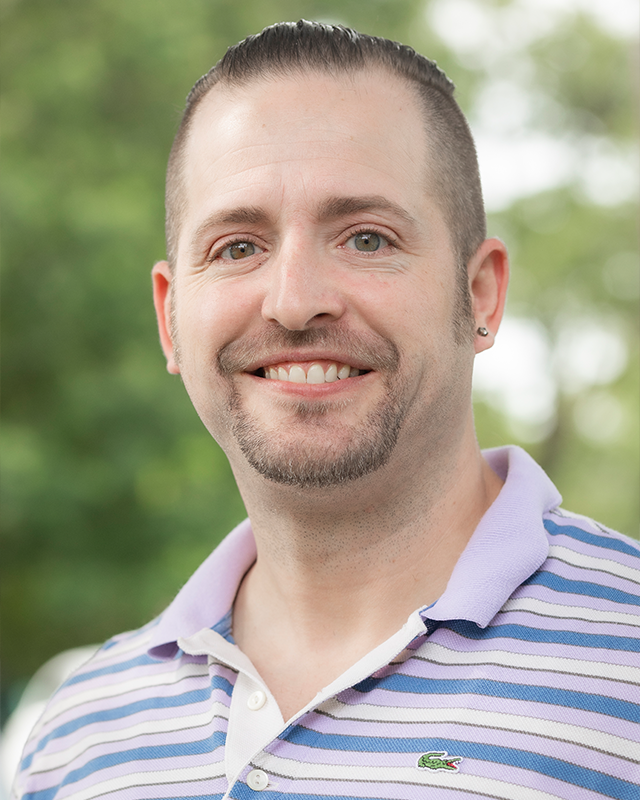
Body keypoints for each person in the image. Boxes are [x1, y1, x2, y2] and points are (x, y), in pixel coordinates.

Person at [14, 20, 640, 800]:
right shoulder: (80, 740)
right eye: (238, 247)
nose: (294, 301)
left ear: (480, 294)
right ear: (170, 319)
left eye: (366, 239)